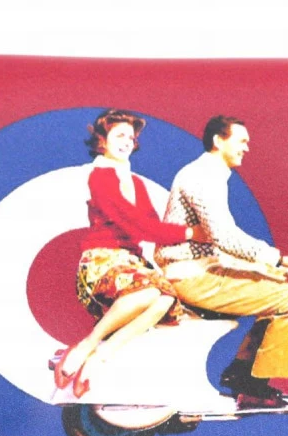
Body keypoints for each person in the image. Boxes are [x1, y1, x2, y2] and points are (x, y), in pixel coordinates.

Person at [155, 115, 288, 408]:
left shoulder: (211, 175)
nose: (247, 148)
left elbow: (217, 244)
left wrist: (271, 268)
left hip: (200, 269)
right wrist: (282, 259)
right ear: (219, 141)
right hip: (191, 276)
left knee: (281, 284)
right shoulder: (201, 176)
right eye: (241, 141)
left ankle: (240, 373)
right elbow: (225, 237)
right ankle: (253, 386)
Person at [54, 110, 207, 396]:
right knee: (150, 293)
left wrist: (199, 238)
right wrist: (190, 233)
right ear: (102, 141)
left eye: (130, 137)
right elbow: (135, 224)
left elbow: (154, 226)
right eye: (119, 135)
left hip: (132, 263)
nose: (127, 141)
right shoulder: (100, 177)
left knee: (165, 298)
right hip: (102, 261)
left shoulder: (135, 182)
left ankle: (102, 355)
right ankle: (88, 345)